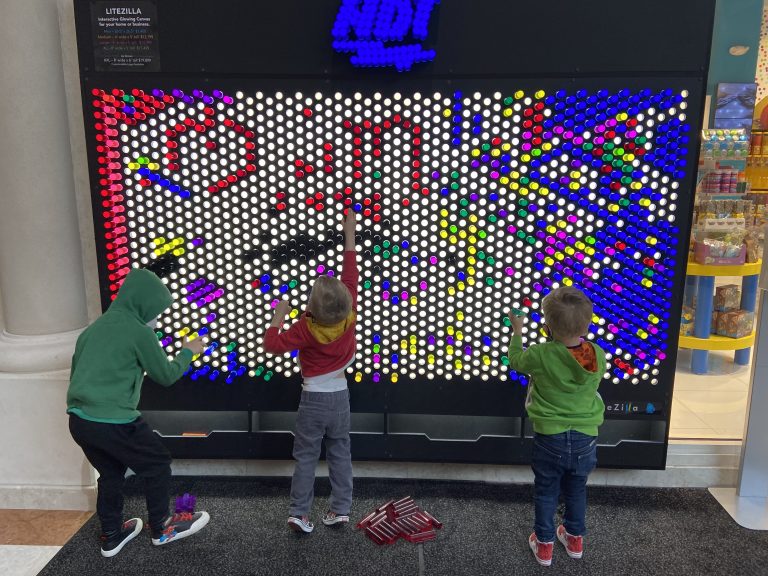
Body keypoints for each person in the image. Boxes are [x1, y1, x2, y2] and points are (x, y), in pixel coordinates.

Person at [67, 268, 210, 557]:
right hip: (115, 421)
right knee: (156, 463)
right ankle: (161, 528)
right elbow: (166, 374)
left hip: (80, 421)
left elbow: (78, 373)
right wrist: (188, 351)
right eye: (156, 311)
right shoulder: (139, 331)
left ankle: (111, 534)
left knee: (110, 473)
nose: (156, 318)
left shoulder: (93, 330)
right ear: (144, 304)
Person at [263, 211, 358, 534]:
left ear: (312, 308)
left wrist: (278, 316)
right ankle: (341, 509)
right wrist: (350, 233)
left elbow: (271, 344)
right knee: (340, 451)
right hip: (340, 398)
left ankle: (299, 514)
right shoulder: (350, 314)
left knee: (305, 456)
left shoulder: (305, 328)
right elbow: (351, 273)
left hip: (313, 400)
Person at [507, 286, 606, 567]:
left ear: (547, 325)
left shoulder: (540, 354)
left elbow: (516, 361)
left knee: (546, 491)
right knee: (577, 489)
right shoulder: (596, 354)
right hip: (586, 437)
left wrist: (517, 332)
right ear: (587, 323)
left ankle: (545, 545)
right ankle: (575, 539)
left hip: (550, 436)